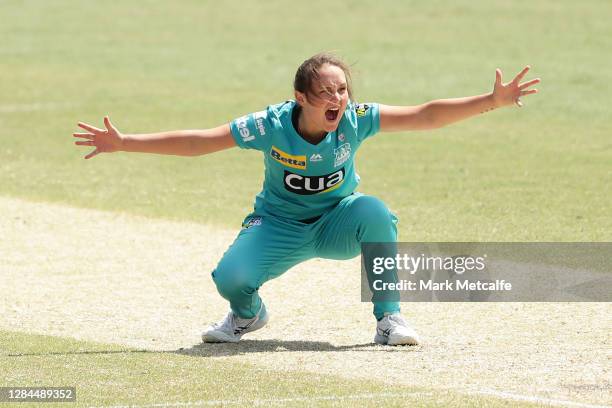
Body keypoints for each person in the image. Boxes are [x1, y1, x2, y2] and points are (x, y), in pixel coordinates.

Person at [74, 52, 539, 346]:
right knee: (230, 277)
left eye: (342, 89)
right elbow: (201, 142)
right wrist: (125, 142)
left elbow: (425, 115)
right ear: (300, 97)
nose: (336, 99)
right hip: (277, 226)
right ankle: (247, 317)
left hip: (338, 222)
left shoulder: (355, 118)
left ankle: (389, 319)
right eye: (324, 93)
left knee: (376, 211)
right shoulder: (270, 124)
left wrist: (490, 101)